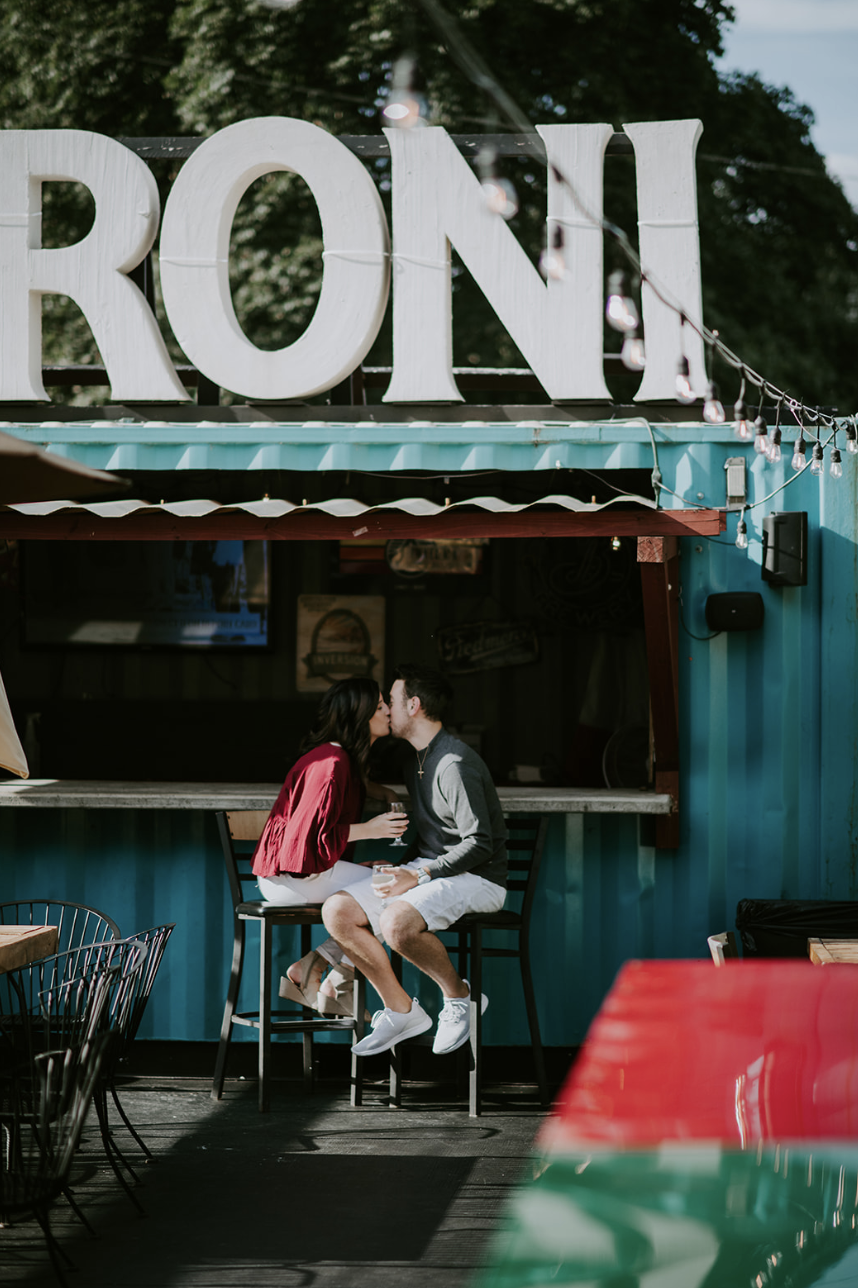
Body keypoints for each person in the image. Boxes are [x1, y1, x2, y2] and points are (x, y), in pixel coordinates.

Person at [321, 662, 507, 1055]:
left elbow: (480, 843)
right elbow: (433, 837)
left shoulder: (454, 765)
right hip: (434, 872)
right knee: (337, 911)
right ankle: (400, 1010)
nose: (387, 707)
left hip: (479, 878)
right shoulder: (415, 761)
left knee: (396, 924)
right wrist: (399, 867)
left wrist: (418, 876)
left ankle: (460, 998)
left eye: (391, 700)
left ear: (414, 705)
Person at [252, 676, 406, 1016]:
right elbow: (305, 839)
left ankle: (313, 968)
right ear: (360, 714)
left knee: (386, 878)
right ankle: (335, 977)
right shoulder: (331, 764)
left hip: (296, 874)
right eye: (380, 706)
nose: (388, 711)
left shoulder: (339, 759)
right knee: (397, 892)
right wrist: (370, 829)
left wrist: (383, 793)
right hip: (293, 879)